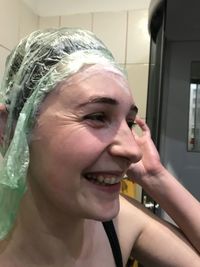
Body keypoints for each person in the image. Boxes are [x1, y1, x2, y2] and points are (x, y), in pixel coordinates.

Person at [0, 28, 199, 267]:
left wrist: (155, 176)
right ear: (9, 128)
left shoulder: (120, 224)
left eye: (129, 122)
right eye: (97, 116)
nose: (133, 151)